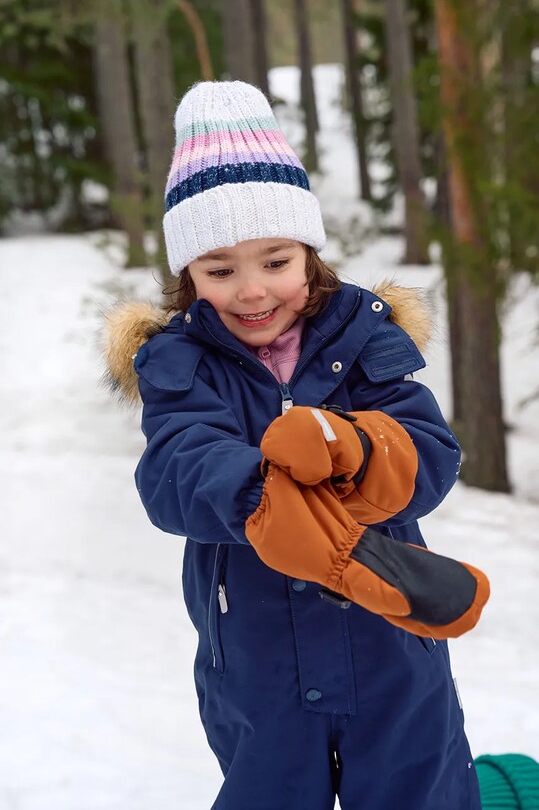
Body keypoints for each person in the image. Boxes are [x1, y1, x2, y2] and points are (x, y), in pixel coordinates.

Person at [105, 80, 483, 809]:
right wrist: (266, 494)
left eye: (274, 261)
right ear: (188, 275)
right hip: (256, 661)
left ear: (308, 255)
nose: (251, 291)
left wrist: (353, 447)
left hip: (391, 649)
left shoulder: (366, 338)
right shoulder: (181, 363)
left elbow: (428, 452)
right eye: (220, 270)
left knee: (418, 789)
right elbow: (177, 465)